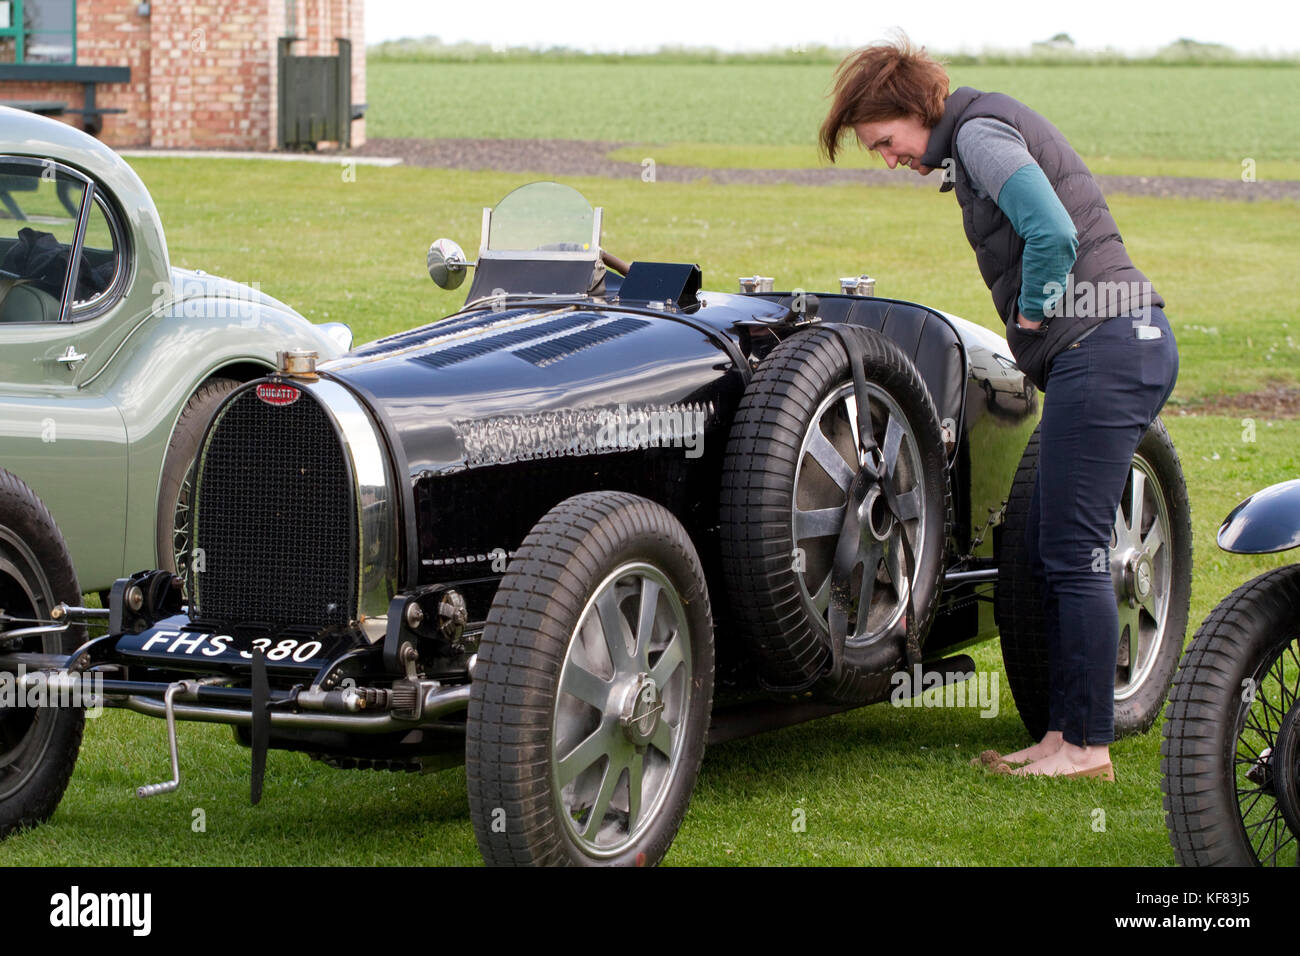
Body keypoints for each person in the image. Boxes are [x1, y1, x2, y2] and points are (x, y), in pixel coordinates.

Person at [819, 35, 1179, 780]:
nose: (888, 158)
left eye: (884, 141)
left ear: (913, 109)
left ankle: (1086, 749)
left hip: (1107, 348)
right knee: (1045, 544)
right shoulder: (977, 135)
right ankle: (1059, 737)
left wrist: (1032, 321)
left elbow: (1052, 229)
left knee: (1073, 552)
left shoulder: (980, 135)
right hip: (1111, 347)